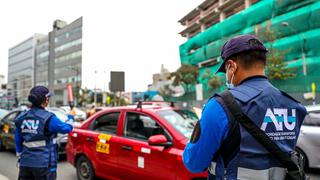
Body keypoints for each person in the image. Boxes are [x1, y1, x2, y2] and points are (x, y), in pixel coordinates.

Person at [182, 35, 307, 180]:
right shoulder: (293, 106)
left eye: (226, 71)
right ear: (263, 64)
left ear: (232, 66)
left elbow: (194, 164)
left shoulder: (220, 106)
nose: (227, 77)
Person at [14, 86, 73, 180]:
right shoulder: (49, 118)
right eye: (48, 97)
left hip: (25, 164)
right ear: (45, 100)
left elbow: (17, 139)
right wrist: (70, 117)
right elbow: (67, 129)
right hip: (44, 165)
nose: (48, 100)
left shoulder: (21, 117)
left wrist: (21, 155)